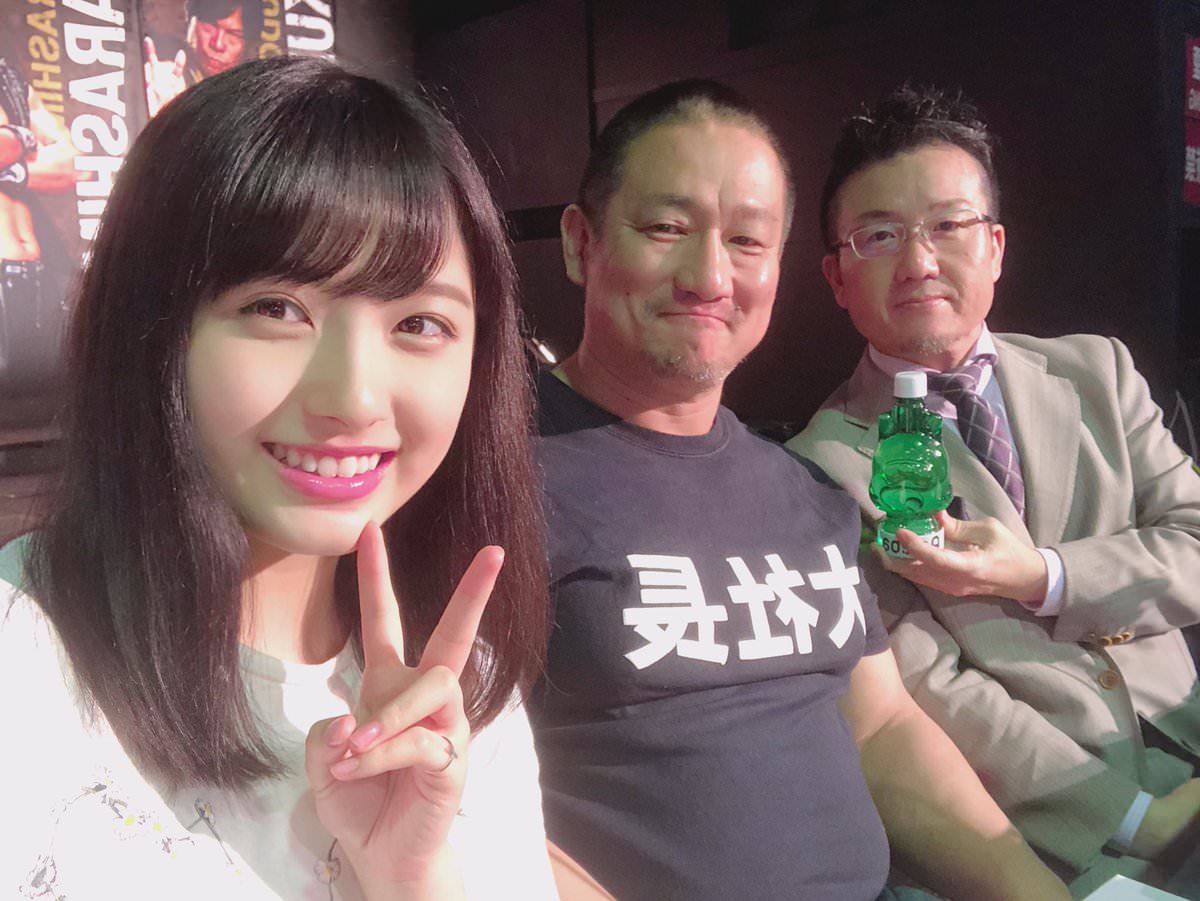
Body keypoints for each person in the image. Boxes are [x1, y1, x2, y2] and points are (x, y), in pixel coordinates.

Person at [2, 57, 560, 900]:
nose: (354, 399)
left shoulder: (456, 683)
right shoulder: (24, 657)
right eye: (277, 309)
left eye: (420, 323)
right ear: (149, 324)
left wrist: (413, 878)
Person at [528, 78, 1068, 901]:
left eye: (747, 241)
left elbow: (883, 728)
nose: (710, 275)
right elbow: (465, 799)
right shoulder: (496, 478)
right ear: (580, 242)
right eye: (667, 227)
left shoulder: (803, 489)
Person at [788, 85, 1200, 896]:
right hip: (1058, 835)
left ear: (996, 246)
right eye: (880, 236)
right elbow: (925, 688)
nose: (919, 262)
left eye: (948, 225)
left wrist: (1045, 575)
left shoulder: (1098, 372)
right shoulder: (821, 464)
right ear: (837, 275)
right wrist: (1133, 816)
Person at [0, 53, 78, 396]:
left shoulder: (10, 81)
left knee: (46, 401)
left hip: (38, 274)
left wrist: (14, 164)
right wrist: (25, 137)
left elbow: (70, 165)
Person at [143, 0, 257, 117]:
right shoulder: (162, 63)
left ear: (248, 45)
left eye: (233, 34)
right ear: (192, 24)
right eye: (211, 26)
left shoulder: (249, 100)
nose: (217, 44)